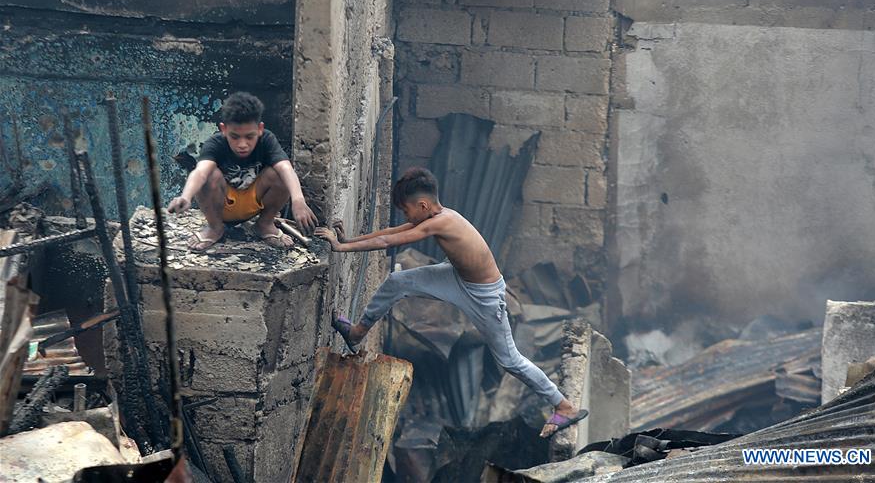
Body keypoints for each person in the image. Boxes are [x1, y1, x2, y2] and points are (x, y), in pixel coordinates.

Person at [315, 167, 588, 438]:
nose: (406, 216)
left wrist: (341, 249)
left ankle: (564, 406)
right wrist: (349, 240)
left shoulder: (443, 221)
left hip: (485, 296)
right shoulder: (432, 215)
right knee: (398, 282)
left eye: (407, 210)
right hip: (456, 276)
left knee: (510, 360)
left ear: (422, 204)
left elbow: (389, 241)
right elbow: (390, 231)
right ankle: (356, 333)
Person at [167, 92, 317, 251]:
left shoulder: (267, 140)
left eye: (249, 137)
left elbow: (286, 168)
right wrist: (186, 196)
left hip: (253, 203)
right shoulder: (215, 143)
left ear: (260, 129)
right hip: (222, 206)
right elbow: (200, 173)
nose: (242, 144)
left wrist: (298, 201)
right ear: (223, 129)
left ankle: (265, 224)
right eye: (235, 137)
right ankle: (215, 228)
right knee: (210, 175)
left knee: (279, 173)